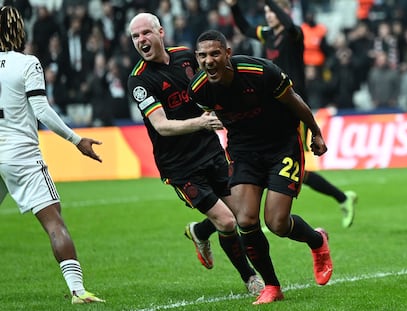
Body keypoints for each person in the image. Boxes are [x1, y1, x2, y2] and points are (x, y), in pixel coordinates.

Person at [188, 29, 333, 305]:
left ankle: (317, 241)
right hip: (244, 151)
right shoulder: (199, 90)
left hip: (282, 145)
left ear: (227, 54)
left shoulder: (260, 71)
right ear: (197, 58)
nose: (209, 60)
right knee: (245, 220)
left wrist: (315, 132)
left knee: (277, 223)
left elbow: (296, 102)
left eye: (215, 53)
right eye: (203, 55)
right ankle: (272, 286)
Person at [127, 12, 264, 295]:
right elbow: (162, 126)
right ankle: (251, 279)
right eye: (135, 36)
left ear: (160, 32)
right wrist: (202, 121)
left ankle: (200, 232)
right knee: (226, 221)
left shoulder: (187, 57)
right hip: (179, 166)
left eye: (146, 33)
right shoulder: (139, 81)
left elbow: (213, 85)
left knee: (241, 215)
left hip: (211, 151)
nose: (141, 40)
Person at [0, 6, 104, 304]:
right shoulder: (28, 63)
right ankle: (78, 291)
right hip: (20, 154)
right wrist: (76, 139)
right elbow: (42, 110)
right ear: (22, 31)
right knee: (53, 221)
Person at [224, 0, 357, 228]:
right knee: (277, 162)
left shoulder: (294, 34)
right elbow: (245, 28)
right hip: (272, 106)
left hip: (293, 106)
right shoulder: (268, 35)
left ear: (284, 11)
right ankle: (340, 197)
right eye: (266, 12)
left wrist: (270, 2)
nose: (269, 16)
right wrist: (234, 6)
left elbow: (288, 23)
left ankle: (341, 197)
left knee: (292, 165)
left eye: (272, 12)